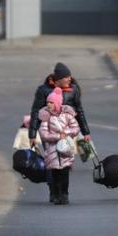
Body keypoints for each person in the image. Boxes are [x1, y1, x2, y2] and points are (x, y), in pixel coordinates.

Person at [29, 62, 91, 203]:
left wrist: (86, 132)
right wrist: (32, 134)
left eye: (69, 77)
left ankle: (64, 193)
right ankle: (53, 191)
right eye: (66, 77)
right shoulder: (43, 90)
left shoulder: (74, 89)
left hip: (67, 134)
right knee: (52, 162)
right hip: (49, 134)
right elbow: (35, 112)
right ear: (58, 79)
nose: (70, 79)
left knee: (65, 163)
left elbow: (79, 111)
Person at [37, 87, 80, 205]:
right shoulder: (46, 117)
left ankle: (64, 194)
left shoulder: (67, 115)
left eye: (51, 102)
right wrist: (57, 136)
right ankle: (56, 194)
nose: (49, 104)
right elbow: (43, 133)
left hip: (65, 149)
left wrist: (66, 133)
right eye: (48, 102)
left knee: (65, 174)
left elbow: (76, 128)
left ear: (57, 103)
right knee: (55, 175)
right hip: (52, 151)